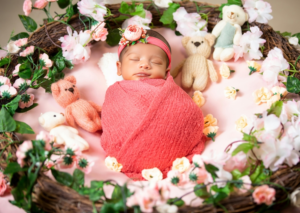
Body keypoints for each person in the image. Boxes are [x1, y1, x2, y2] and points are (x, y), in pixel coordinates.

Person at [100, 25, 207, 181]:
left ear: (166, 72)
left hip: (173, 146)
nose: (144, 65)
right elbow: (111, 120)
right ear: (119, 67)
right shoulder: (115, 92)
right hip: (126, 152)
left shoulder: (170, 91)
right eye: (135, 59)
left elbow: (186, 111)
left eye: (156, 62)